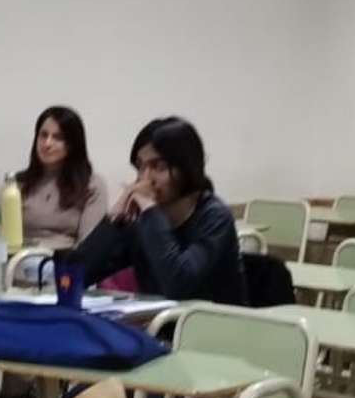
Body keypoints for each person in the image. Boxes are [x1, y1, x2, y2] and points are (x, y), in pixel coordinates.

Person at [77, 117, 248, 305]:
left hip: (212, 320)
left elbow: (178, 283)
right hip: (156, 319)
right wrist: (112, 218)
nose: (146, 178)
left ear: (186, 168)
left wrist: (151, 212)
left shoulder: (214, 216)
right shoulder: (142, 219)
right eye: (140, 166)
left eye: (159, 167)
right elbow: (77, 272)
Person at [16, 106, 107, 247]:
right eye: (43, 135)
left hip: (65, 258)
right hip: (21, 257)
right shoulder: (18, 183)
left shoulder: (91, 185)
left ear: (73, 144)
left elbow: (88, 246)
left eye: (58, 137)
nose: (47, 143)